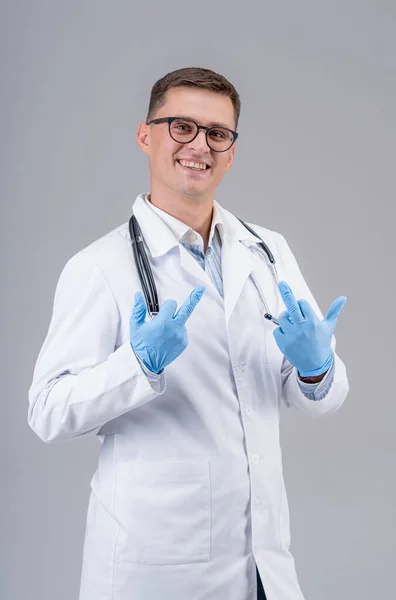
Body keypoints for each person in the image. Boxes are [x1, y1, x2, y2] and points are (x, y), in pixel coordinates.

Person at [28, 66, 349, 600]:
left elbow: (318, 396)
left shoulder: (267, 252)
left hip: (262, 563)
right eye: (181, 126)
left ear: (231, 149)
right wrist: (138, 364)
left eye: (217, 133)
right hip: (156, 567)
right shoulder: (99, 267)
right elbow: (46, 411)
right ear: (145, 135)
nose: (199, 145)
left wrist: (316, 367)